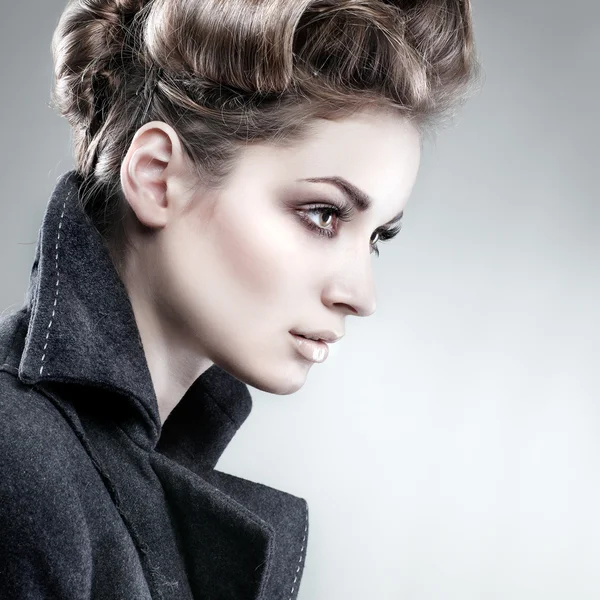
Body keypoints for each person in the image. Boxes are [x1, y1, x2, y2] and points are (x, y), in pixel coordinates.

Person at [0, 0, 479, 597]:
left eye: (377, 237)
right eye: (323, 214)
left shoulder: (102, 466)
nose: (361, 295)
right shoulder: (18, 467)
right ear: (157, 177)